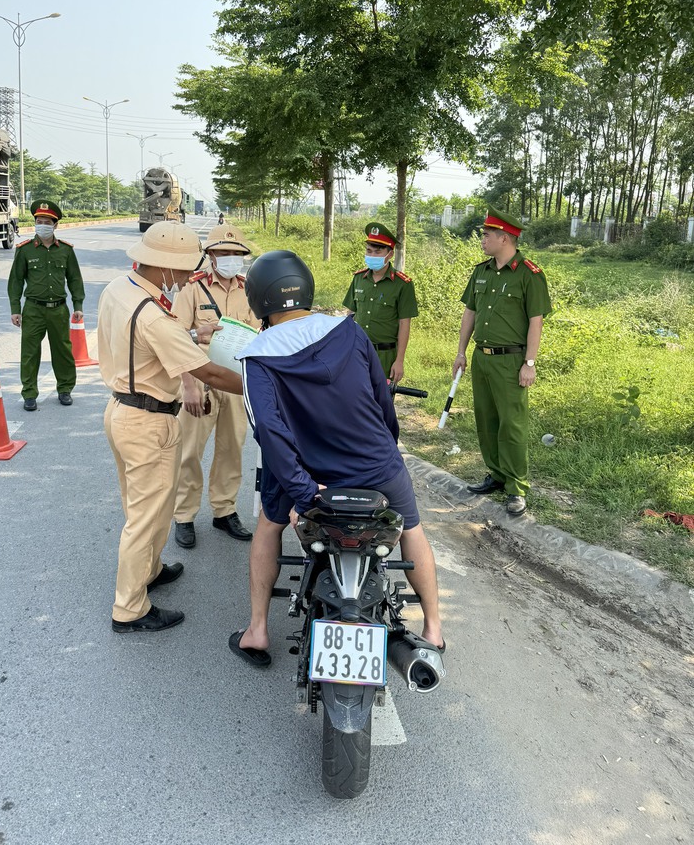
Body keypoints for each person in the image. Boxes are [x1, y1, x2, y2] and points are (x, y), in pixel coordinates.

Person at [229, 250, 444, 668]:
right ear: (306, 287)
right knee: (411, 529)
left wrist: (304, 491)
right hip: (375, 466)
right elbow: (382, 399)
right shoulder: (349, 331)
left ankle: (257, 630)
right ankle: (433, 628)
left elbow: (269, 433)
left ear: (258, 301)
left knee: (269, 528)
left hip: (305, 476)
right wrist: (385, 450)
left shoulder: (256, 357)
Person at [97, 222, 244, 634]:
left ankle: (151, 568)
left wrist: (193, 331)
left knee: (140, 505)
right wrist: (262, 385)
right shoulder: (155, 317)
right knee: (146, 517)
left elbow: (148, 337)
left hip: (121, 411)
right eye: (179, 271)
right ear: (164, 268)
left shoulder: (121, 290)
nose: (183, 278)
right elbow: (210, 373)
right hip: (149, 421)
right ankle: (129, 609)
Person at [452, 207, 552, 516]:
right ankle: (496, 474)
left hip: (512, 361)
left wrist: (530, 363)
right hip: (482, 358)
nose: (482, 240)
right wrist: (461, 352)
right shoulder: (481, 271)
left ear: (504, 237)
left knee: (512, 425)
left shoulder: (529, 274)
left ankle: (516, 487)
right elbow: (470, 312)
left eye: (486, 235)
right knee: (486, 420)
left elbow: (536, 321)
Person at [171, 223, 260, 548]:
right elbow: (175, 339)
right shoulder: (192, 289)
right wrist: (189, 385)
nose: (230, 259)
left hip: (237, 382)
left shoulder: (250, 288)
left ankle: (224, 510)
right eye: (224, 253)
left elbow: (257, 335)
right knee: (190, 452)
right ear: (210, 255)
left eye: (236, 254)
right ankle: (184, 515)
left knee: (231, 448)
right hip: (201, 381)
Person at [7, 200, 85, 411]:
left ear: (55, 225)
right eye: (38, 221)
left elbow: (75, 279)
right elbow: (15, 281)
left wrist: (78, 305)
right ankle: (30, 393)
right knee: (30, 353)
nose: (42, 225)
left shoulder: (66, 251)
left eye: (46, 222)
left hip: (59, 309)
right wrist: (15, 309)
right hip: (33, 309)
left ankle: (65, 389)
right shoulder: (25, 250)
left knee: (62, 351)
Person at [343, 222, 418, 383]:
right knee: (354, 403)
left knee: (381, 405)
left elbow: (405, 324)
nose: (372, 256)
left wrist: (399, 361)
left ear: (389, 254)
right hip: (357, 352)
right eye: (369, 251)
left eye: (378, 252)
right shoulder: (358, 279)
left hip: (385, 356)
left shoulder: (402, 284)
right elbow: (350, 315)